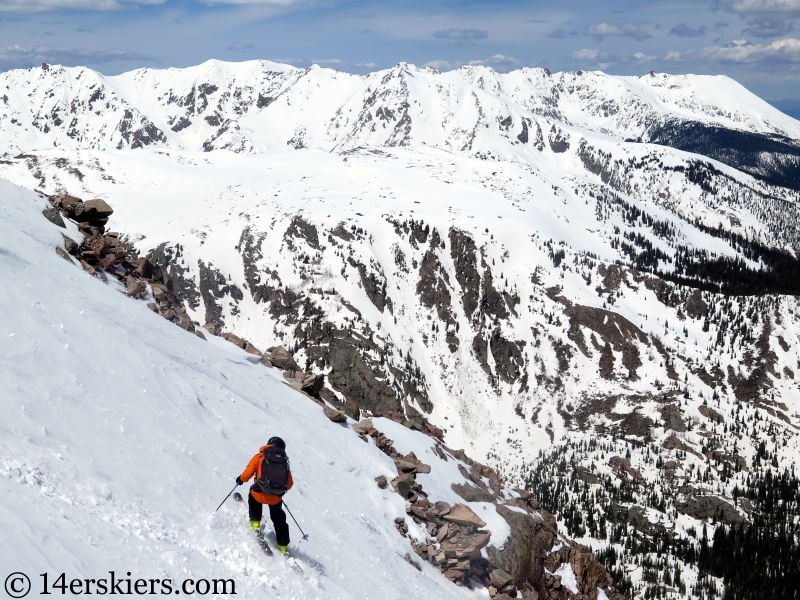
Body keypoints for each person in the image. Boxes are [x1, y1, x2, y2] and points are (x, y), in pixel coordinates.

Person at [236, 436, 293, 554]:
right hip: (276, 497)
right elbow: (290, 484)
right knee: (278, 516)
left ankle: (255, 522)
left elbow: (248, 473)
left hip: (260, 492)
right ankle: (282, 544)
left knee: (253, 495)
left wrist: (240, 479)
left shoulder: (260, 456)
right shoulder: (284, 461)